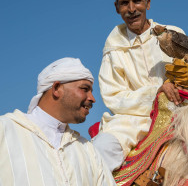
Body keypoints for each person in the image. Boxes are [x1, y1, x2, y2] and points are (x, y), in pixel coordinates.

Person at [92, 0, 188, 172]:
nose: (131, 9)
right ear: (116, 8)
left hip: (182, 112)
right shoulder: (113, 48)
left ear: (147, 3)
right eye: (124, 3)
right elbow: (113, 97)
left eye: (137, 1)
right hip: (132, 121)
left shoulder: (172, 32)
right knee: (100, 150)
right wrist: (156, 92)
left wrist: (187, 86)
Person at [0, 58, 116, 186]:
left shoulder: (88, 151)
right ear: (56, 88)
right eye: (85, 89)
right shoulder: (5, 130)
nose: (92, 99)